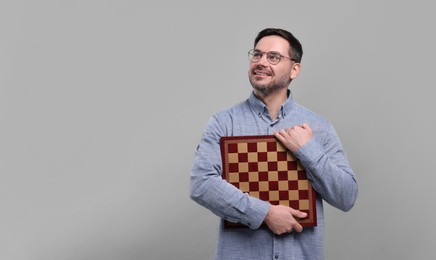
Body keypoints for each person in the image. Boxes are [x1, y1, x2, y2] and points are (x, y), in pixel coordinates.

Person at [190, 28, 358, 260]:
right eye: (257, 55)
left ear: (294, 69)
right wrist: (265, 213)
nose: (261, 62)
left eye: (273, 57)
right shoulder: (223, 122)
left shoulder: (319, 127)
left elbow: (346, 197)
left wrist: (307, 150)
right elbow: (202, 184)